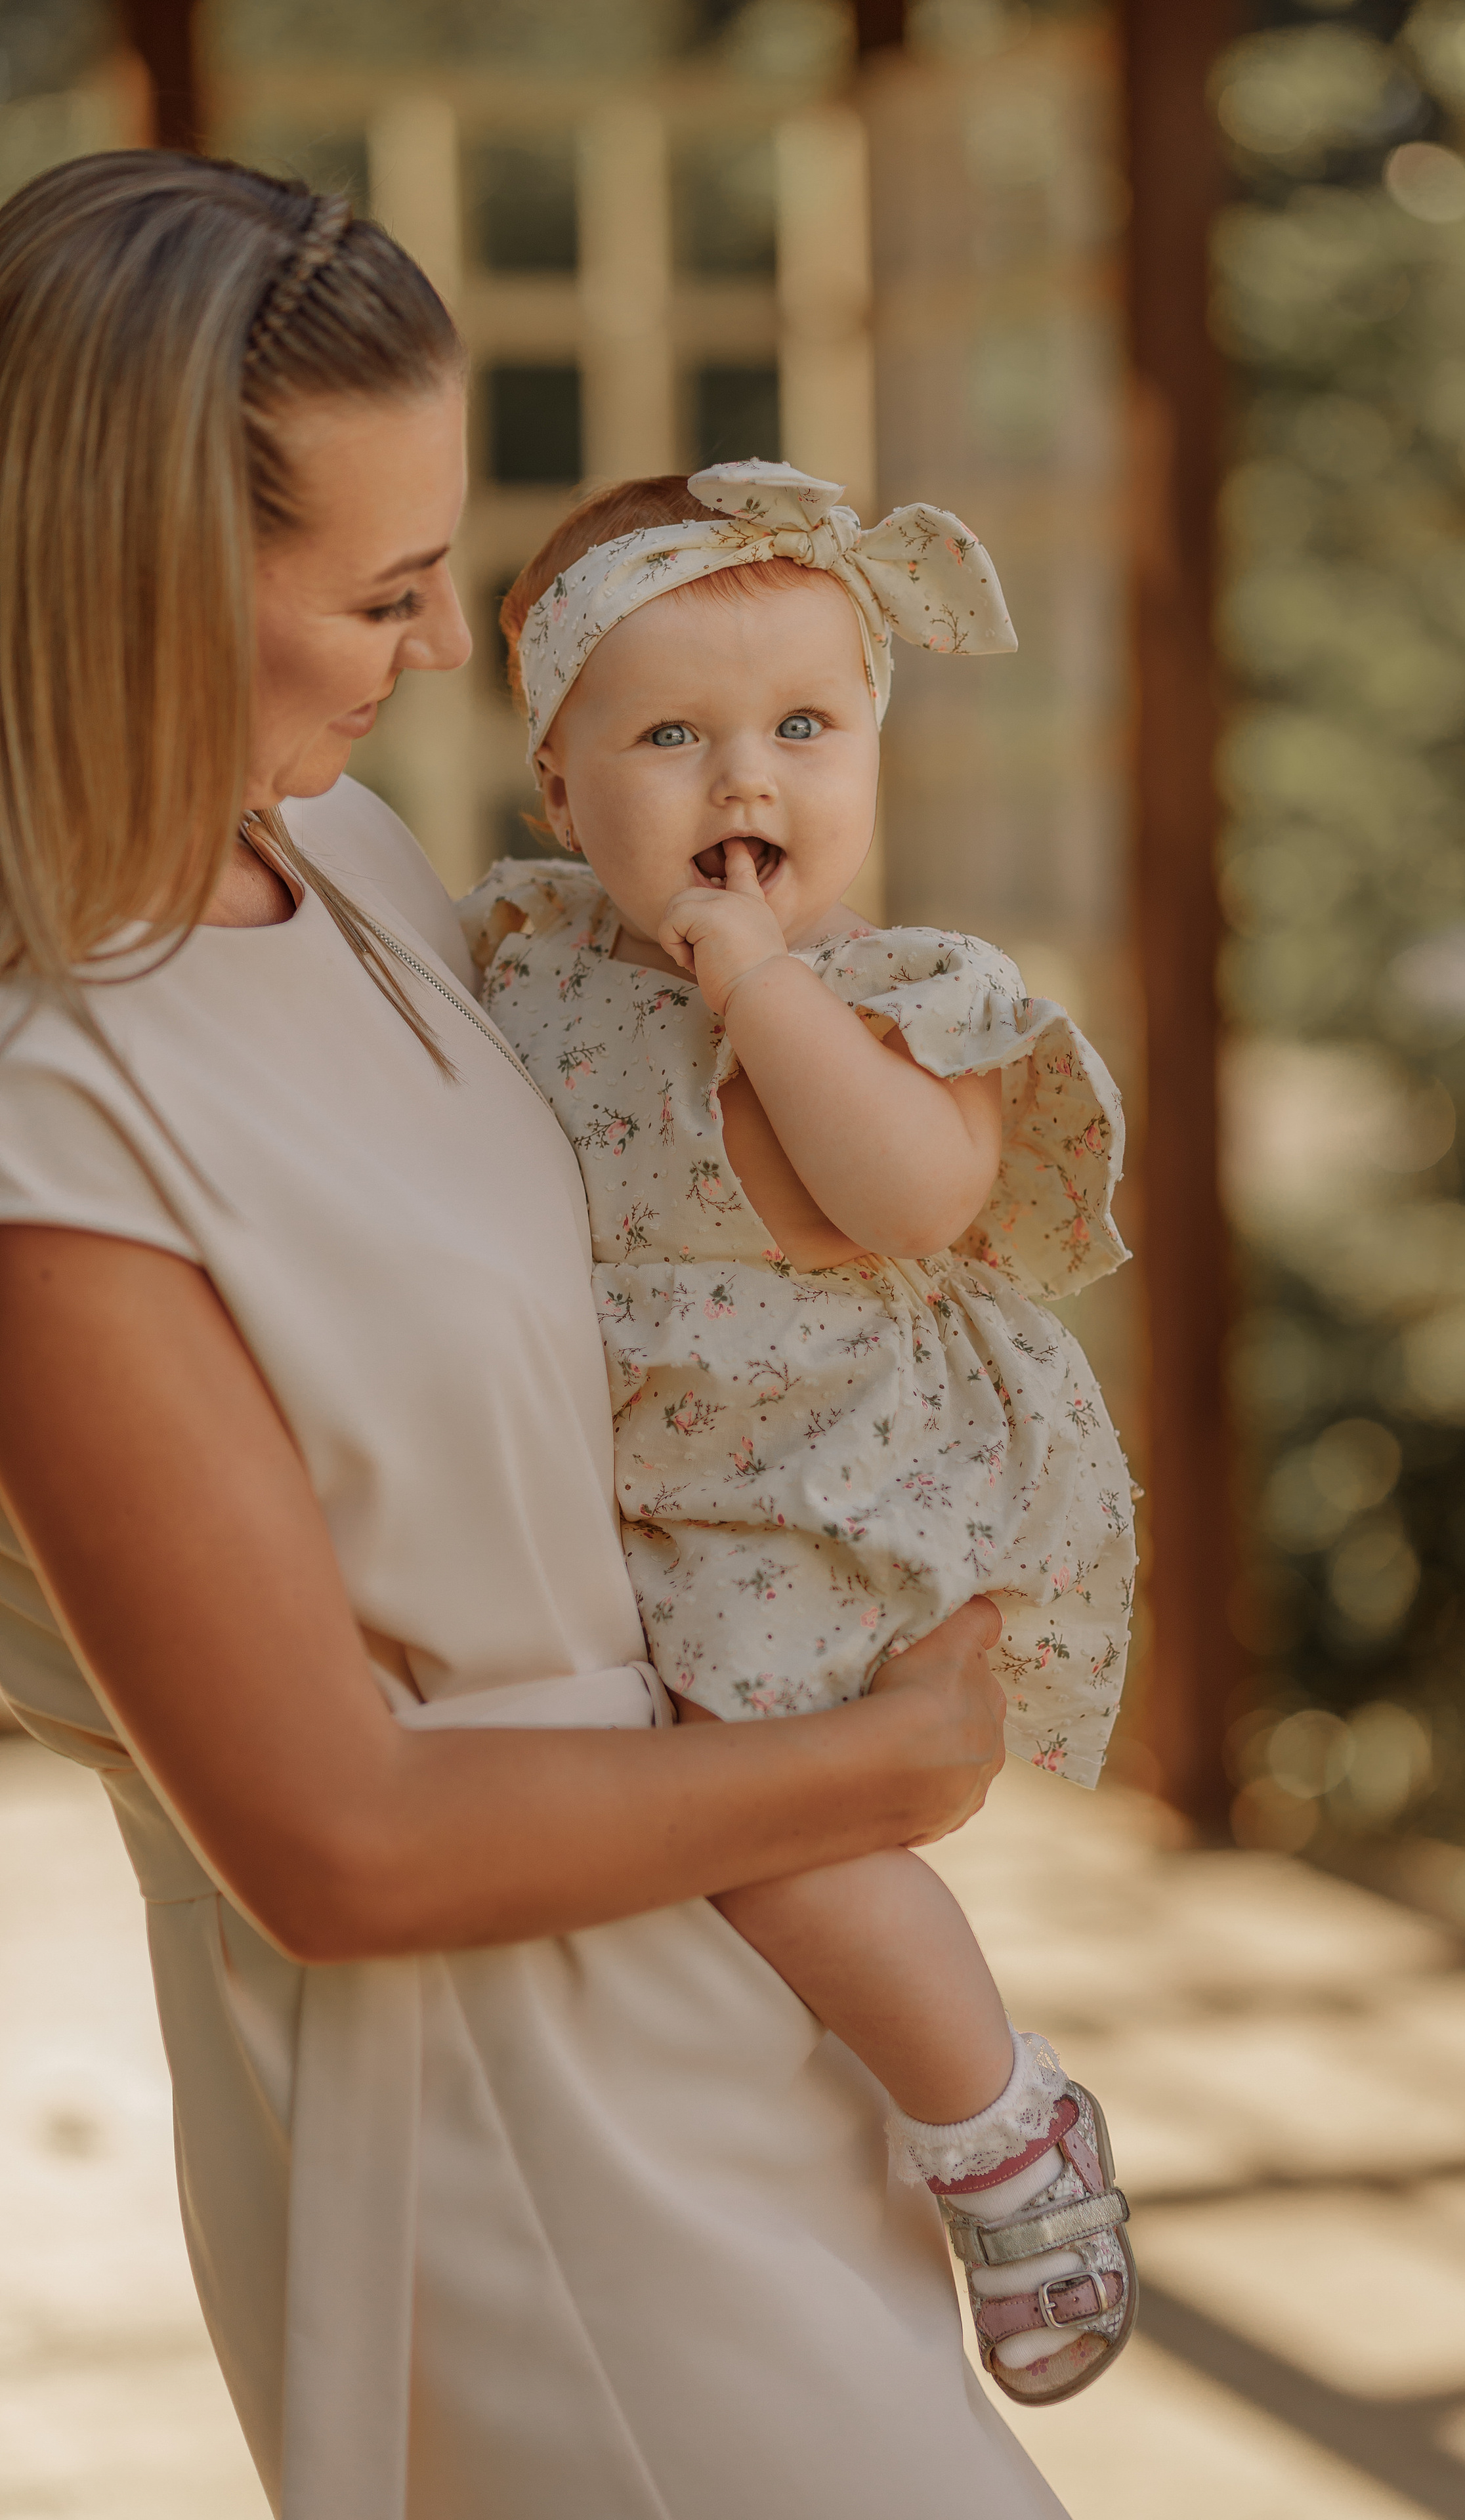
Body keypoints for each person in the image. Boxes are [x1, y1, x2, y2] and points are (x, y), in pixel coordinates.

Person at [0, 152, 1074, 2520]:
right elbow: (337, 1841)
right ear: (140, 586)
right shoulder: (49, 1123)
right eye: (384, 592)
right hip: (483, 2106)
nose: (442, 655)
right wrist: (882, 1780)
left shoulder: (361, 869)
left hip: (725, 2000)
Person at [463, 463, 1139, 2401]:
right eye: (670, 734)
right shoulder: (529, 965)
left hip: (844, 1506)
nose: (743, 781)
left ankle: (1002, 2125)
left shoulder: (894, 999)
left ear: (873, 761)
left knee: (776, 1830)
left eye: (802, 729)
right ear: (557, 792)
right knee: (683, 1860)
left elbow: (917, 1195)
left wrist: (760, 988)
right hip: (654, 1517)